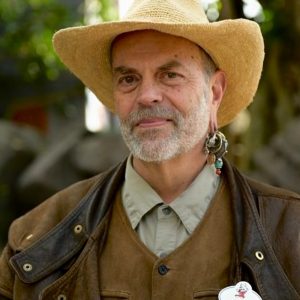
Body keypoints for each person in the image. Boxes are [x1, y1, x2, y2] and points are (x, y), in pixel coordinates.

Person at [1, 0, 300, 299]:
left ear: (214, 92)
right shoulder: (35, 239)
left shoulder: (290, 233)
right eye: (129, 79)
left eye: (170, 75)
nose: (147, 96)